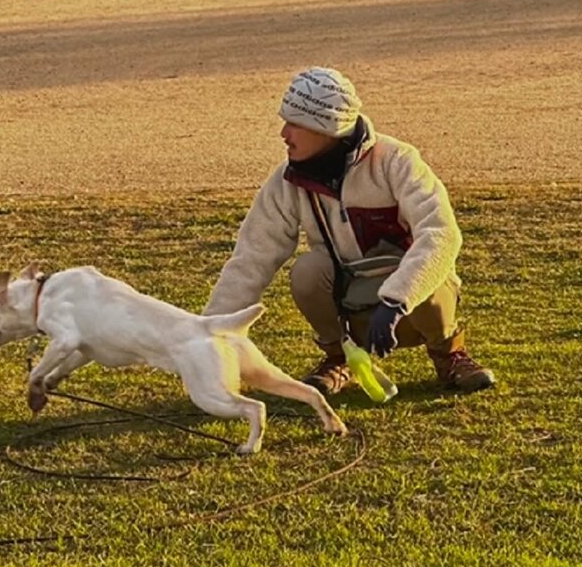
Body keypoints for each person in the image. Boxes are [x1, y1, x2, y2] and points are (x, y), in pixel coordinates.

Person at [203, 66, 494, 397]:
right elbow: (251, 258)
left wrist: (397, 300)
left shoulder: (397, 161)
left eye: (295, 123)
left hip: (413, 309)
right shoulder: (287, 181)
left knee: (433, 272)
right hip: (354, 309)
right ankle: (340, 358)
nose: (284, 133)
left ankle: (449, 355)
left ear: (327, 127)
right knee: (307, 271)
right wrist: (208, 334)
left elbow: (442, 234)